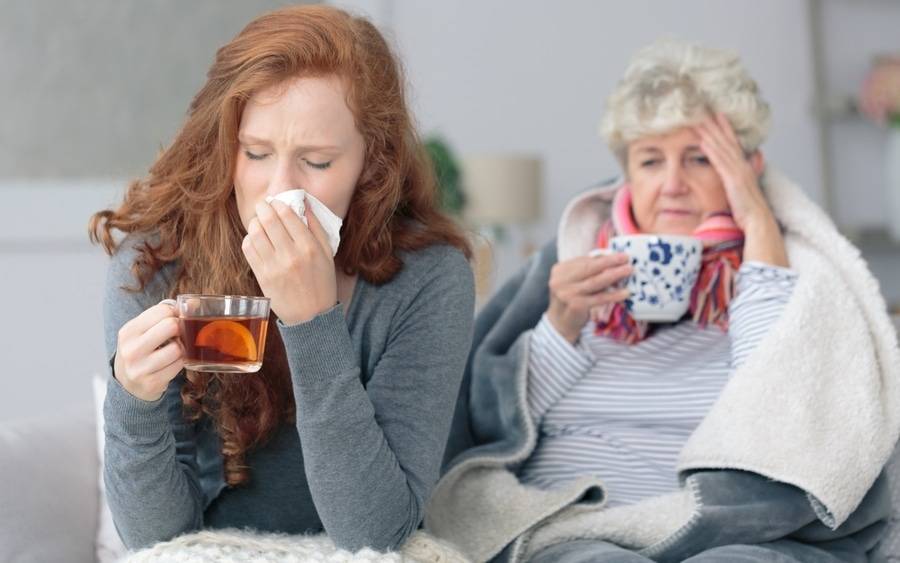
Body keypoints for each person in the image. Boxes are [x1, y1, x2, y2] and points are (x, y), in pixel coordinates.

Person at [426, 39, 900, 562]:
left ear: (746, 168)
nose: (673, 184)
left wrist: (758, 224)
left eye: (700, 159)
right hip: (576, 521)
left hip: (721, 529)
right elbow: (497, 427)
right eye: (651, 161)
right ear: (628, 174)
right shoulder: (574, 265)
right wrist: (561, 326)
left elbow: (779, 402)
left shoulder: (786, 274)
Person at [89, 5, 475, 553]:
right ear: (226, 146)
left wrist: (312, 322)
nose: (278, 191)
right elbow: (159, 543)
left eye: (316, 162)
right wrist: (132, 399)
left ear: (372, 164)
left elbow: (377, 535)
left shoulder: (429, 278)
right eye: (256, 153)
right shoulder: (155, 263)